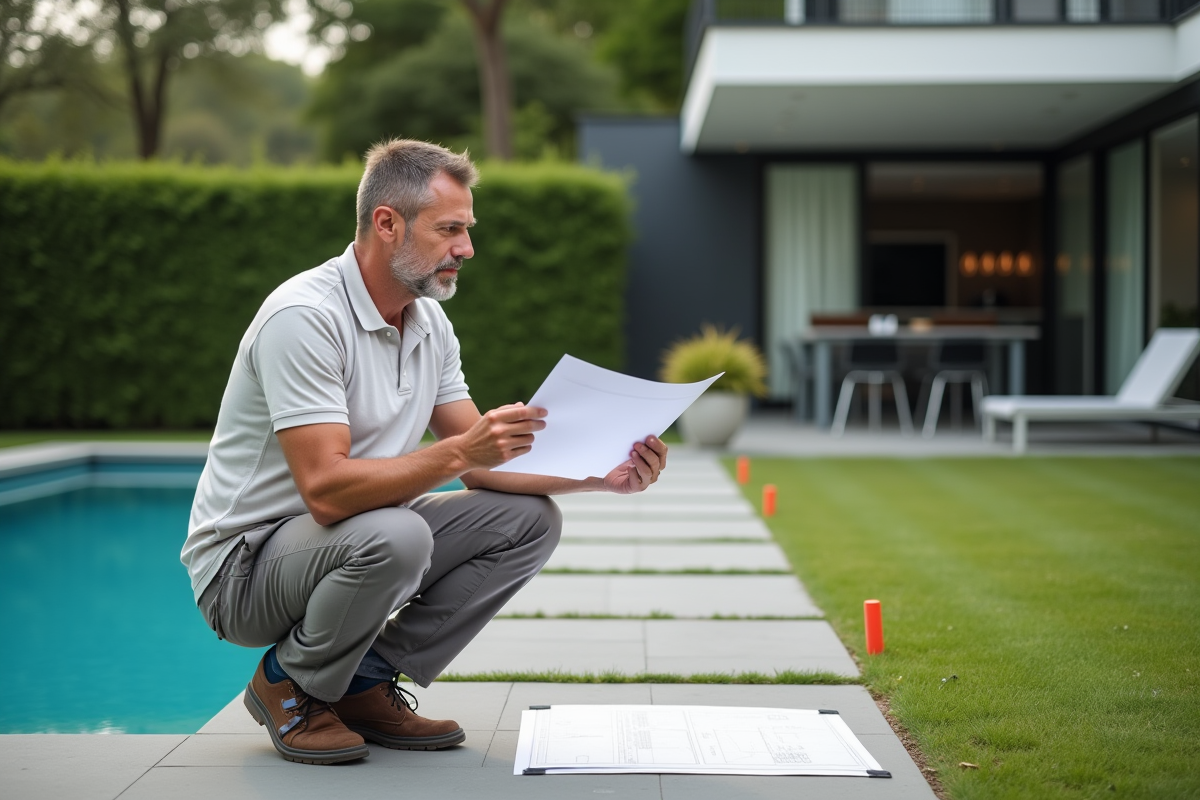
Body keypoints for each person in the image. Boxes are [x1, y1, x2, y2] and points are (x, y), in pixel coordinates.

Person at [181, 139, 668, 765]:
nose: (466, 249)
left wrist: (601, 477)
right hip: (243, 572)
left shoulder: (429, 323)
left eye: (467, 229)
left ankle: (361, 682)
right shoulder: (304, 317)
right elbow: (325, 492)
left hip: (350, 541)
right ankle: (289, 682)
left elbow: (484, 465)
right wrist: (459, 454)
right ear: (387, 223)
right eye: (449, 229)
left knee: (529, 521)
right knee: (398, 534)